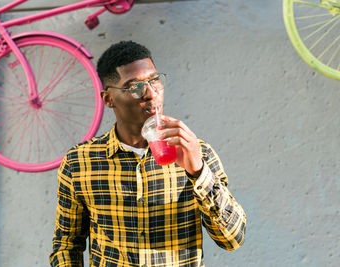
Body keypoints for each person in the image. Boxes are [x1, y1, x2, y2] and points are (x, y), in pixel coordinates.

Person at [50, 41, 246, 267]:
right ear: (108, 99)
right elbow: (66, 246)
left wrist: (199, 172)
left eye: (155, 80)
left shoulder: (196, 152)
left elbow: (233, 239)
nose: (152, 94)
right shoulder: (79, 162)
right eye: (135, 87)